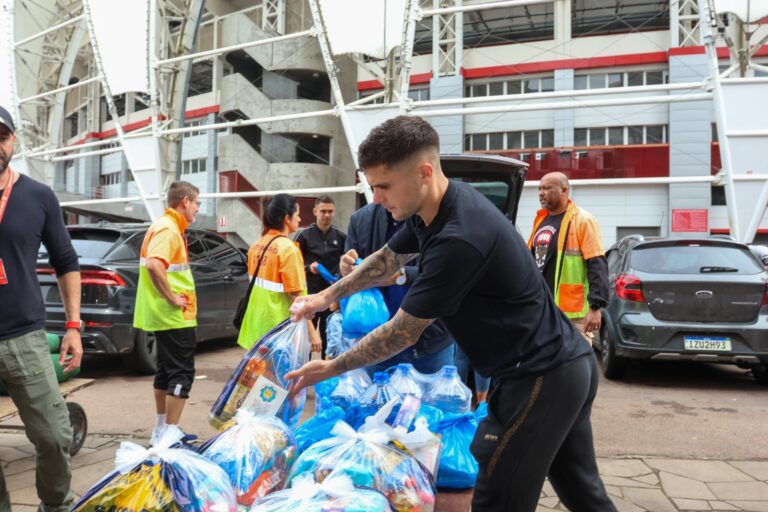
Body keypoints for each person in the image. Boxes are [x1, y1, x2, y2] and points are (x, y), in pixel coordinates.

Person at [286, 116, 616, 512]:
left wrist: (332, 366)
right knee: (584, 494)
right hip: (564, 366)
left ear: (423, 173)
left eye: (383, 186)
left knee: (497, 497)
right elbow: (387, 258)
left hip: (538, 377)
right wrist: (323, 298)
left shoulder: (458, 239)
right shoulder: (438, 206)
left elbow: (402, 333)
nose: (376, 198)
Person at [0, 105, 83, 512]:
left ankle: (56, 505)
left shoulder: (37, 196)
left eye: (1, 136)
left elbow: (66, 261)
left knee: (53, 435)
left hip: (24, 338)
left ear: (13, 141)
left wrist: (73, 326)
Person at [341, 202, 455, 375]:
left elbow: (447, 273)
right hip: (379, 340)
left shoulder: (436, 216)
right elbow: (349, 275)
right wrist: (345, 269)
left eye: (385, 185)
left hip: (430, 342)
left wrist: (400, 276)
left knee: (433, 400)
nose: (377, 196)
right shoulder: (360, 219)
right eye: (374, 186)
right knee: (379, 400)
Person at [133, 181, 201, 445]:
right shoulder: (168, 229)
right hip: (173, 315)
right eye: (196, 203)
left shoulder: (166, 226)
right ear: (185, 201)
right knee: (182, 373)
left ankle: (163, 430)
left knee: (165, 372)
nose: (197, 209)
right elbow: (154, 265)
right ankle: (169, 436)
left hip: (164, 315)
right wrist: (172, 297)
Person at [528, 172, 609, 343]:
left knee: (576, 365)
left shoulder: (582, 220)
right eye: (539, 188)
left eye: (547, 188)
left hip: (573, 316)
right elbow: (531, 262)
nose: (541, 193)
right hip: (543, 310)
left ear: (564, 190)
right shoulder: (541, 220)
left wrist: (595, 307)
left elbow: (597, 264)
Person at [236, 193, 322, 352]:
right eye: (297, 214)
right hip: (278, 329)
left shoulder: (256, 245)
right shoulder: (288, 249)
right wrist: (313, 333)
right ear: (286, 218)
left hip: (256, 327)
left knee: (260, 376)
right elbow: (295, 297)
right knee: (281, 376)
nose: (300, 219)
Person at [295, 195, 346, 357]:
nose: (327, 215)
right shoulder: (303, 236)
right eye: (323, 211)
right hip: (311, 295)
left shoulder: (340, 236)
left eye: (330, 211)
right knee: (306, 338)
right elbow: (294, 265)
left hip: (332, 295)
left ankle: (327, 373)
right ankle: (303, 371)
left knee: (331, 336)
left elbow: (347, 264)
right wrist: (309, 268)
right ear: (315, 211)